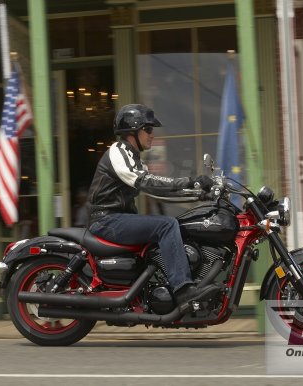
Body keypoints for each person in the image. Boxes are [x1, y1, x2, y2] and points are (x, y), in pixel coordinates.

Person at [87, 104, 218, 309]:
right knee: (166, 225)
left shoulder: (133, 158)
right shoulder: (118, 153)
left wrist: (200, 194)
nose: (152, 135)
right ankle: (183, 289)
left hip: (118, 219)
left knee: (176, 223)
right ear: (132, 131)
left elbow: (157, 190)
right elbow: (146, 182)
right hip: (107, 220)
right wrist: (190, 181)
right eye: (148, 129)